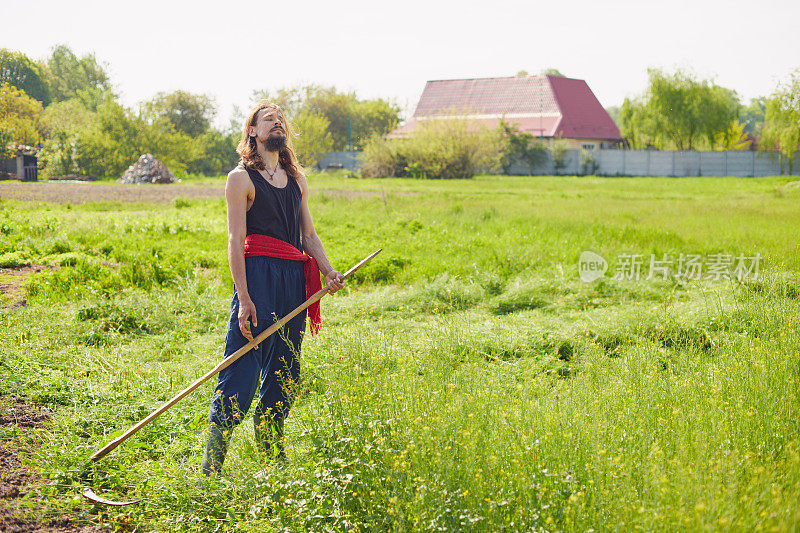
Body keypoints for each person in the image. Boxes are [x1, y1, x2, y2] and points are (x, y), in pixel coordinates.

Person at [201, 101, 344, 475]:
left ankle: (271, 455)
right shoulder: (241, 179)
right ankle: (211, 470)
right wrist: (245, 298)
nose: (277, 121)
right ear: (253, 132)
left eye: (280, 118)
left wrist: (328, 271)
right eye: (268, 118)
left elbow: (307, 235)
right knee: (242, 368)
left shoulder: (297, 181)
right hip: (258, 277)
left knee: (286, 368)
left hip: (293, 282)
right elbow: (235, 241)